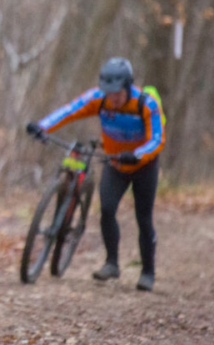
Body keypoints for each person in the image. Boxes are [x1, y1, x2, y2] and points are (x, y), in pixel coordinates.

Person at [27, 57, 164, 291]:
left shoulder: (146, 104)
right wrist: (42, 126)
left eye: (117, 94)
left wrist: (138, 154)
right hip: (115, 164)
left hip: (144, 167)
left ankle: (148, 272)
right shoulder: (98, 99)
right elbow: (70, 111)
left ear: (128, 86)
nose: (113, 99)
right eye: (109, 93)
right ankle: (112, 263)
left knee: (143, 218)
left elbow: (157, 139)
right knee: (107, 210)